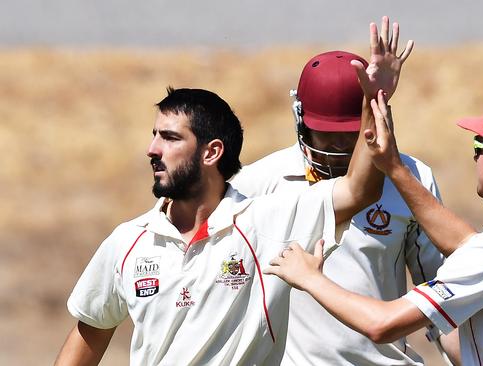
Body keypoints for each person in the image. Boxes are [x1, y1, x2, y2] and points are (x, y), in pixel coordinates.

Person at [54, 17, 411, 366]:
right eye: (154, 135)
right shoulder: (127, 241)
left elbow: (359, 190)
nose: (152, 149)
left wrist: (372, 102)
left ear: (212, 152)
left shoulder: (267, 222)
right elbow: (92, 332)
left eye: (170, 138)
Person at [265, 98, 483, 365]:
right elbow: (465, 243)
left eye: (480, 145)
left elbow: (383, 325)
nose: (475, 156)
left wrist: (310, 278)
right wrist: (394, 167)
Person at [230, 48, 446, 366]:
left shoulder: (412, 178)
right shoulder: (257, 183)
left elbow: (441, 297)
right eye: (328, 133)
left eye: (350, 133)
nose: (341, 147)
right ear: (300, 117)